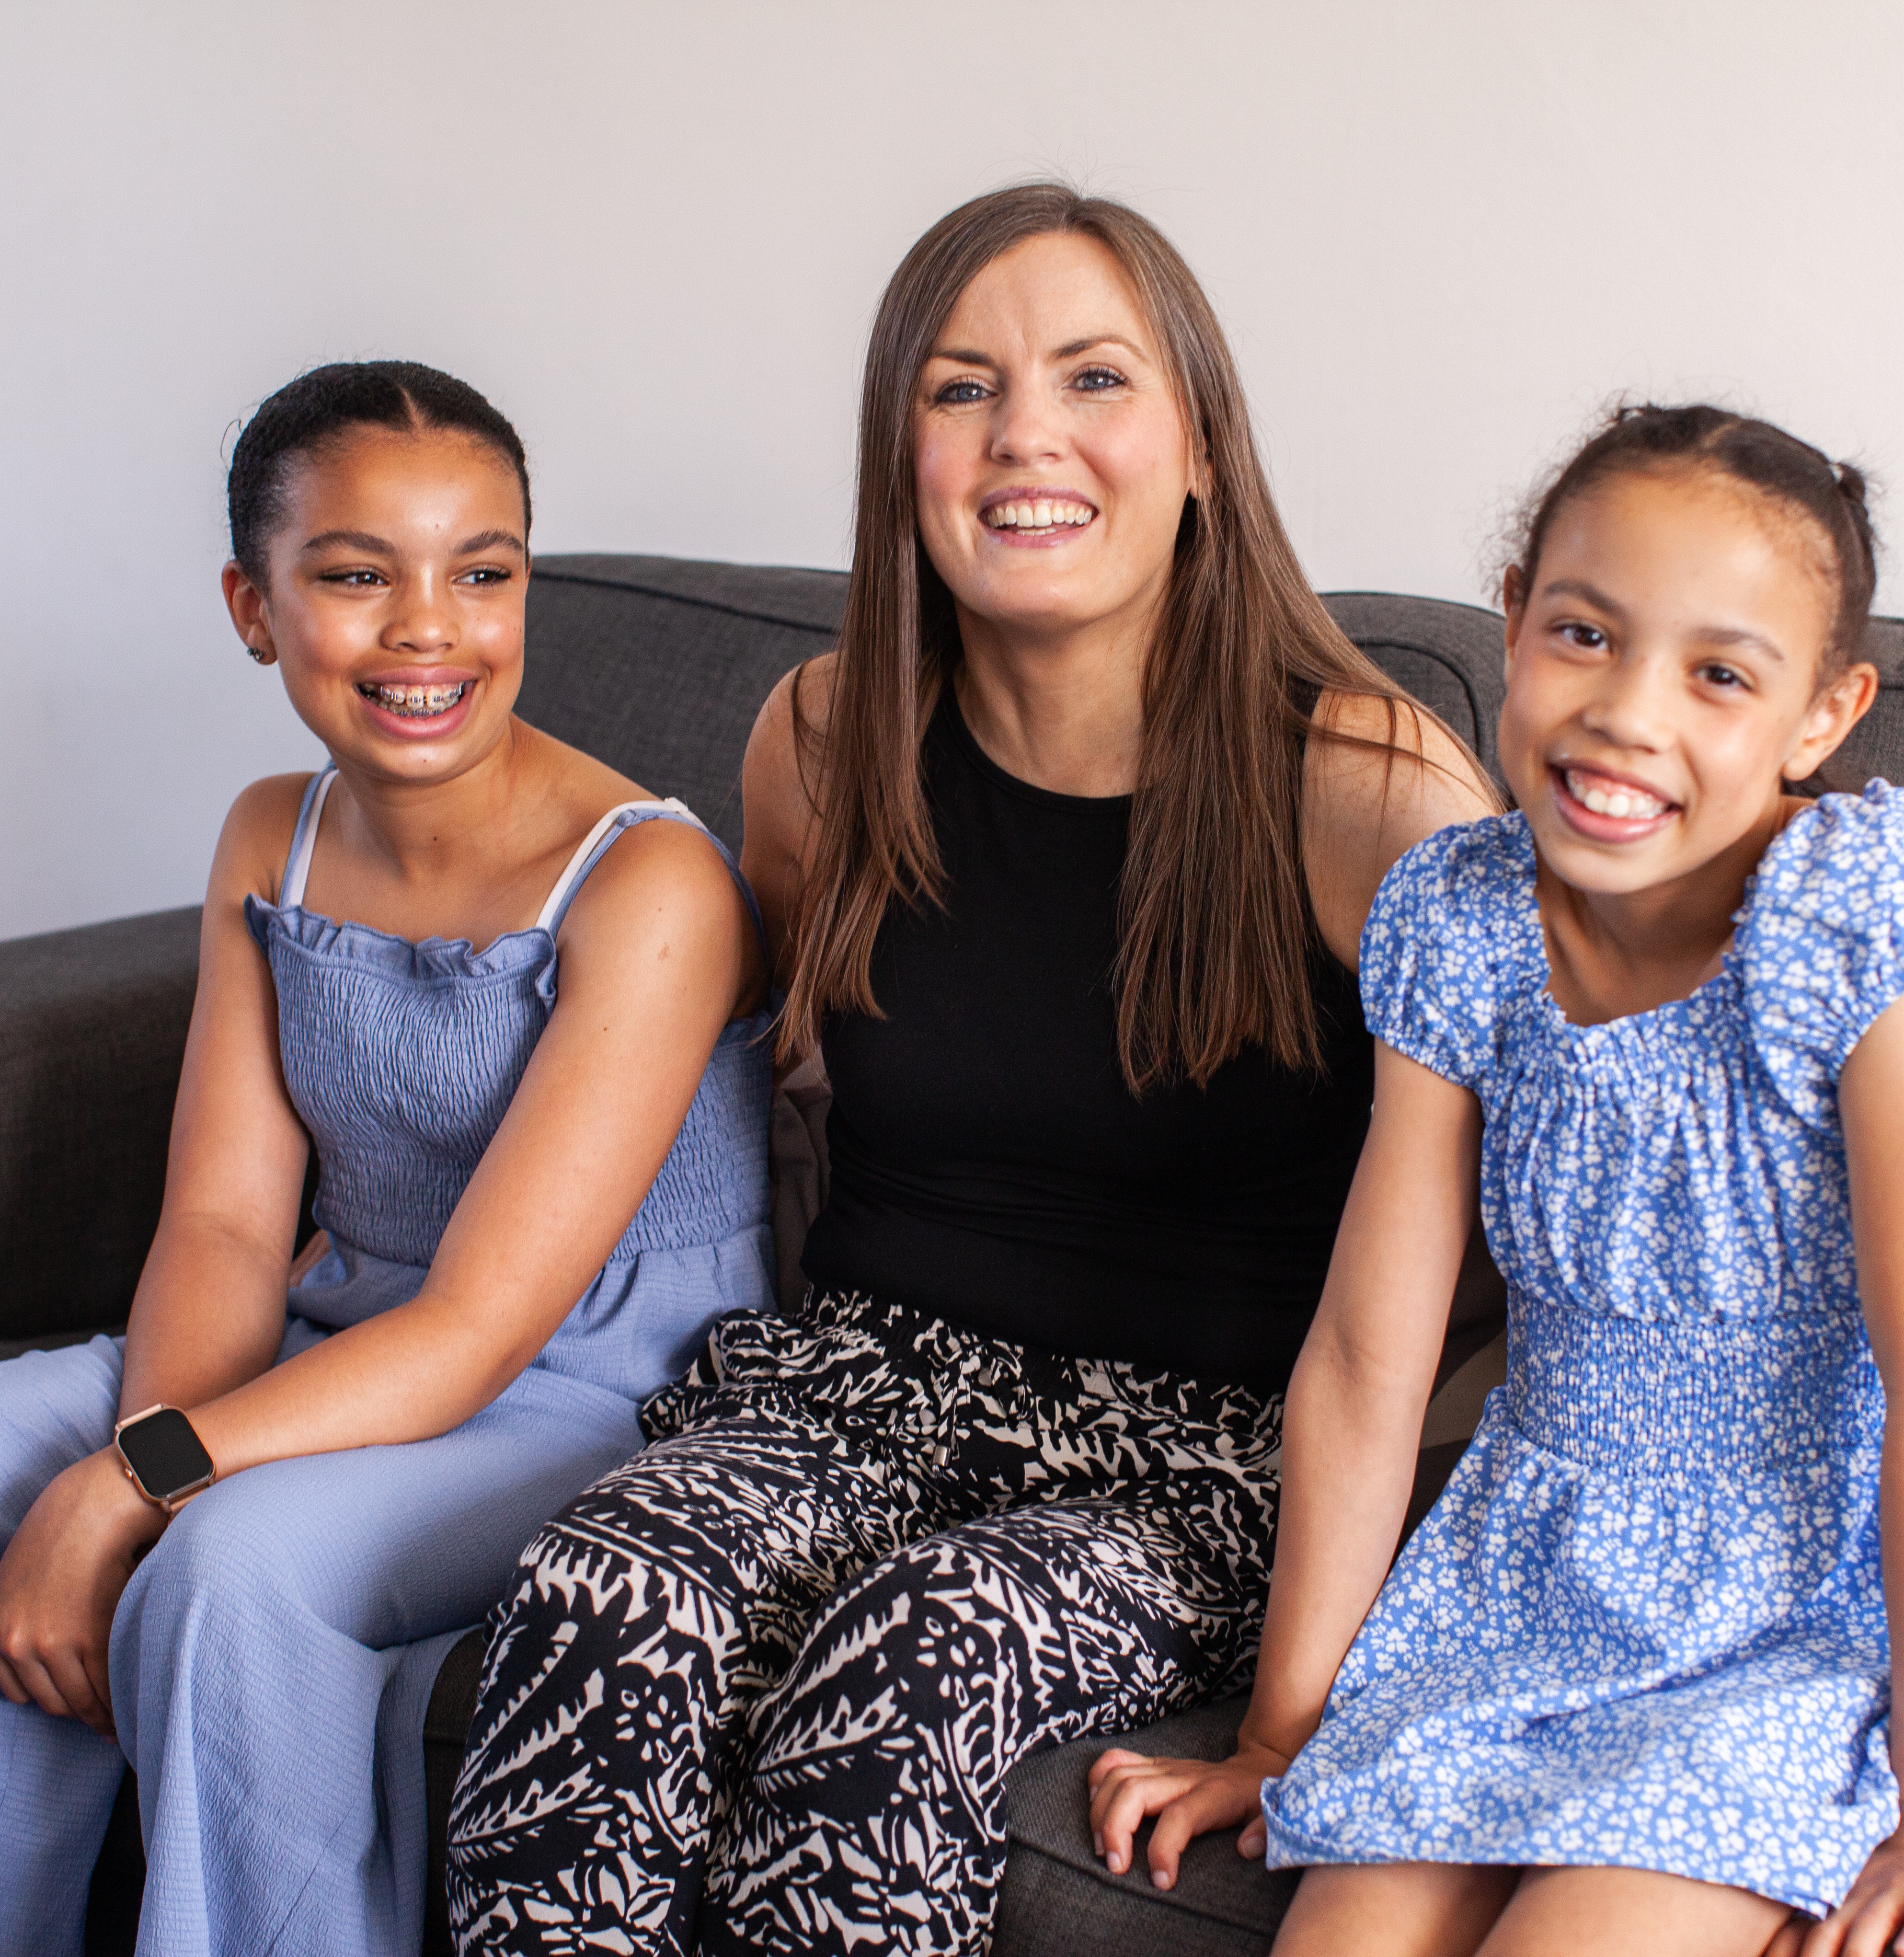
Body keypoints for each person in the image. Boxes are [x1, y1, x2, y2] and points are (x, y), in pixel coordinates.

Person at [443, 184, 1498, 1956]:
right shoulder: (823, 739)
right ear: (900, 456)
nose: (1027, 438)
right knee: (595, 1590)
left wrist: (1312, 1697)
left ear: (1200, 453)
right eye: (960, 389)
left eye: (1095, 379)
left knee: (912, 1656)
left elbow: (1473, 1258)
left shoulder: (1367, 787)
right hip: (853, 1379)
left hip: (1198, 1456)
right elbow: (738, 1081)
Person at [0, 361, 776, 1957]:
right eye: (357, 576)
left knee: (230, 1568)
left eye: (481, 574)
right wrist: (150, 1443)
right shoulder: (267, 833)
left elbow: (482, 1332)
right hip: (336, 1335)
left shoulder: (651, 884)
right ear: (253, 603)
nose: (428, 629)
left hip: (586, 1392)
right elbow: (224, 1222)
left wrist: (135, 1483)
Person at [1087, 405, 1904, 1957]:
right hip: (1523, 1588)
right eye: (1585, 634)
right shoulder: (1460, 920)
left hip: (1793, 1611)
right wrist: (1281, 1735)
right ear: (1517, 615)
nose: (1627, 715)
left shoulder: (1862, 921)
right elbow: (1367, 1359)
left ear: (1824, 712)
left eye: (1720, 675)